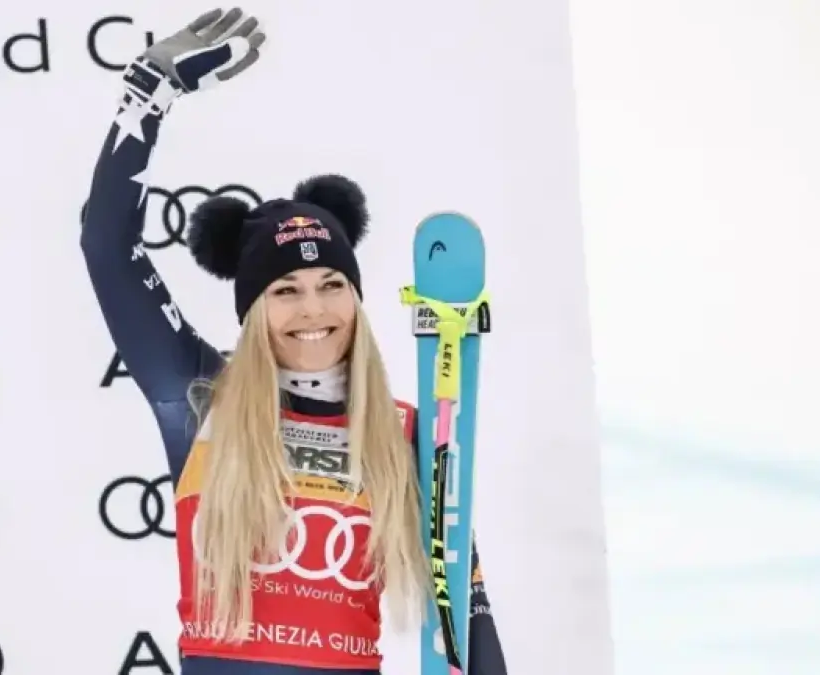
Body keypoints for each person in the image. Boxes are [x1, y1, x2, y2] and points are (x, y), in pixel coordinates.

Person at [81, 8, 508, 674]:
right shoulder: (201, 401)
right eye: (285, 291)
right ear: (254, 312)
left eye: (332, 284)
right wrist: (149, 93)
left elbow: (467, 618)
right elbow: (107, 247)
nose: (314, 309)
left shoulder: (406, 435)